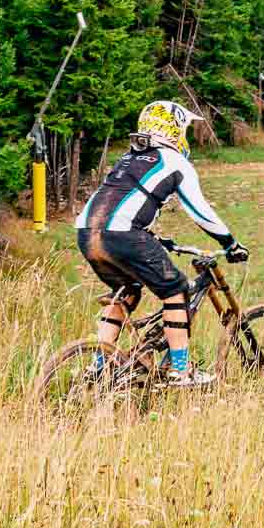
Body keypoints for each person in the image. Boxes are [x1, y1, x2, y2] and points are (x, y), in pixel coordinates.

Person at [74, 100, 249, 388]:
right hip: (124, 235)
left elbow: (120, 202)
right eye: (184, 129)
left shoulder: (129, 158)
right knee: (175, 290)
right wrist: (230, 243)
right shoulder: (174, 161)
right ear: (174, 129)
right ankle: (180, 370)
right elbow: (200, 211)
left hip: (86, 232)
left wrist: (152, 238)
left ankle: (99, 364)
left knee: (125, 291)